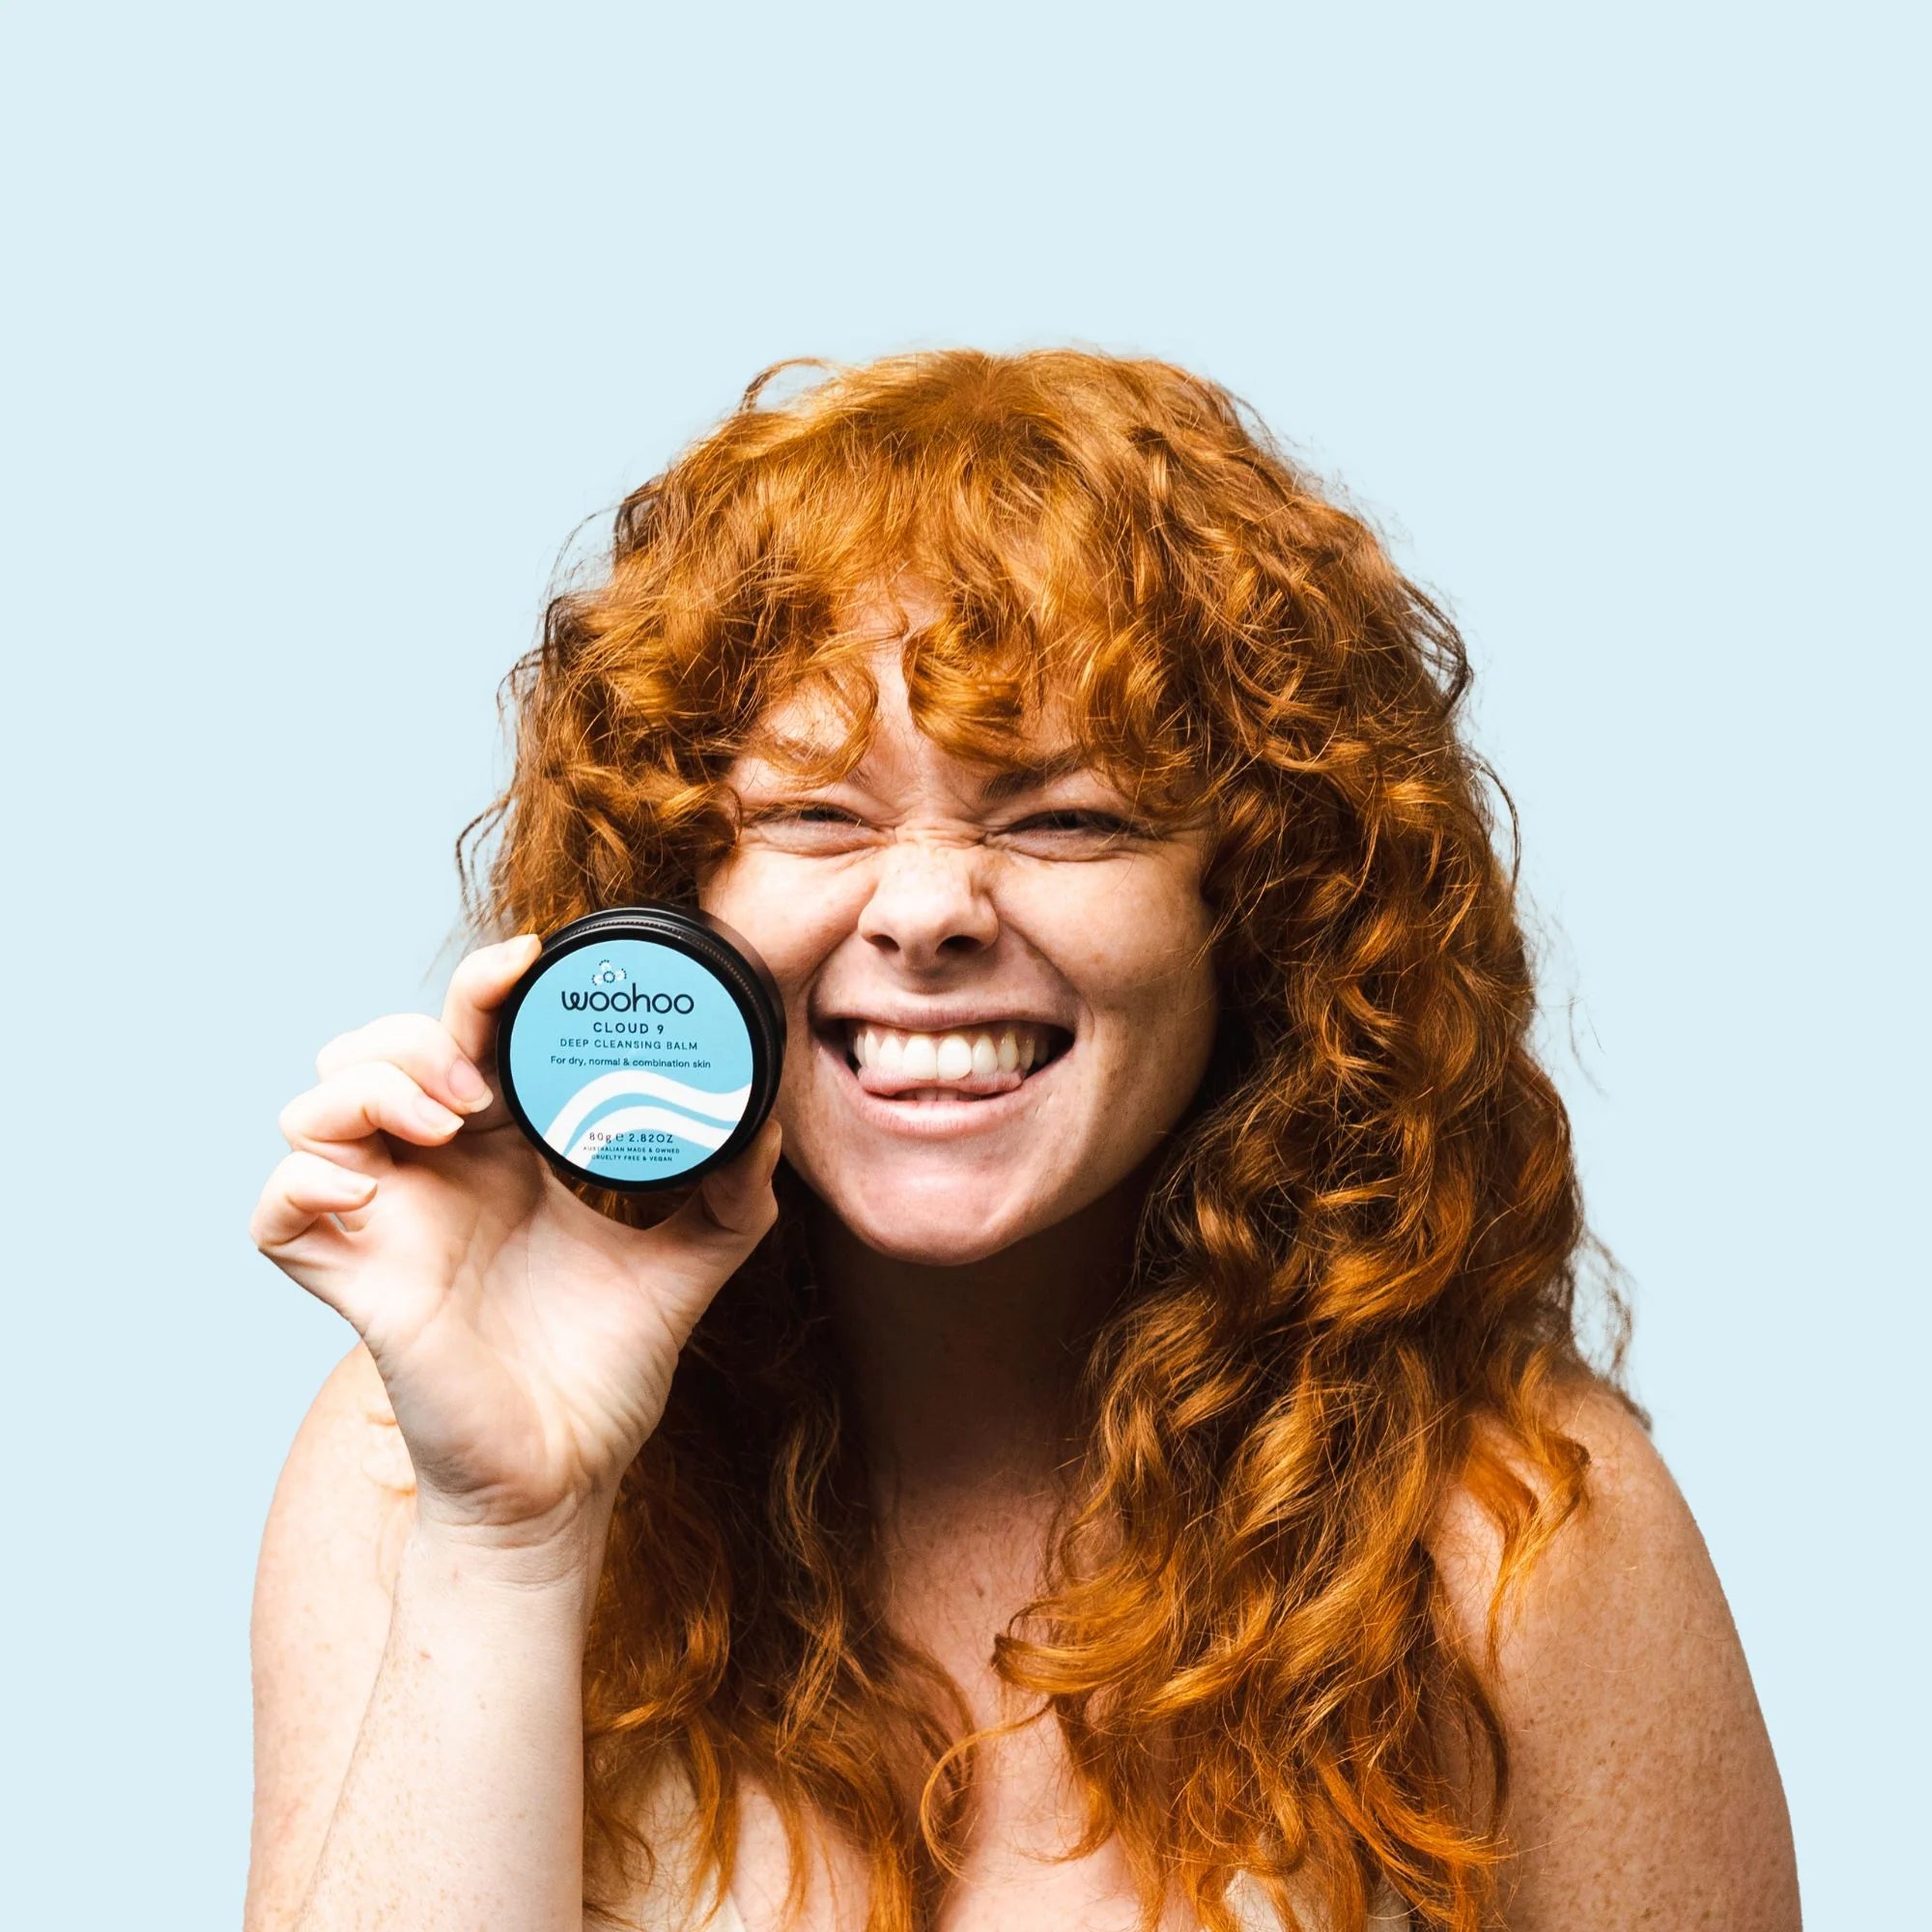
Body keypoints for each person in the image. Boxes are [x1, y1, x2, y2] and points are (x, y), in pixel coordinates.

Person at [242, 350, 1800, 1932]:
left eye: (1066, 819)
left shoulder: (1513, 1537)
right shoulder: (412, 1471)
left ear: (1255, 908)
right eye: (816, 816)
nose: (924, 914)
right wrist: (513, 1538)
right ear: (671, 903)